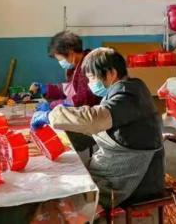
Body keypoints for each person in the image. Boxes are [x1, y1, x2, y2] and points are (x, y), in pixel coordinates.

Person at [31, 47, 165, 209]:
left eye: (92, 78)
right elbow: (101, 128)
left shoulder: (128, 94)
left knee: (68, 203)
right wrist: (66, 137)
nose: (90, 84)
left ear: (111, 73)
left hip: (134, 178)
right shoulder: (120, 90)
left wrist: (51, 115)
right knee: (65, 182)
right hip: (116, 164)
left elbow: (95, 119)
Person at [29, 31, 99, 108]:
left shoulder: (89, 67)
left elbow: (83, 100)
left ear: (71, 54)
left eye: (60, 59)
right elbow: (70, 89)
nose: (60, 62)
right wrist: (47, 89)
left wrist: (53, 106)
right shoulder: (76, 67)